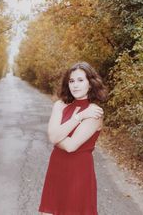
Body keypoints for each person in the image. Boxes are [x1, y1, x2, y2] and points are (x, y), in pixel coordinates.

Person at [38, 61, 108, 215]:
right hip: (56, 167)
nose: (75, 85)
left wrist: (57, 135)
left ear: (90, 84)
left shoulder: (95, 112)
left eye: (80, 80)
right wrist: (79, 116)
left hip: (79, 172)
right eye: (71, 81)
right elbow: (53, 136)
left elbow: (70, 146)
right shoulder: (60, 105)